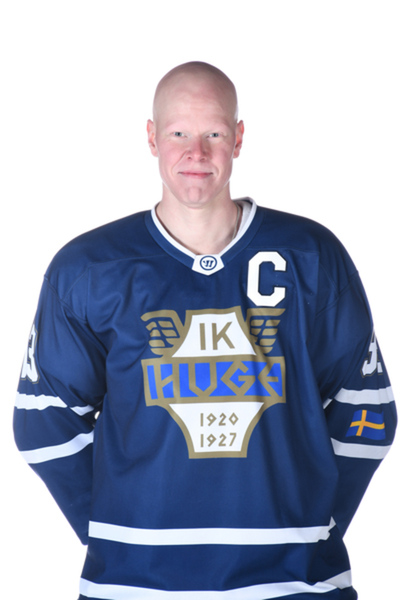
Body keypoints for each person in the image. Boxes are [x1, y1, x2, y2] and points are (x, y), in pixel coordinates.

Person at [14, 61, 396, 600]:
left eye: (213, 133)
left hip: (295, 585)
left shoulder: (312, 256)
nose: (196, 152)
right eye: (178, 134)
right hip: (135, 587)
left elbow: (366, 409)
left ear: (238, 138)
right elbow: (43, 419)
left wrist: (313, 527)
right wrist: (114, 533)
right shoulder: (88, 268)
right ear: (152, 138)